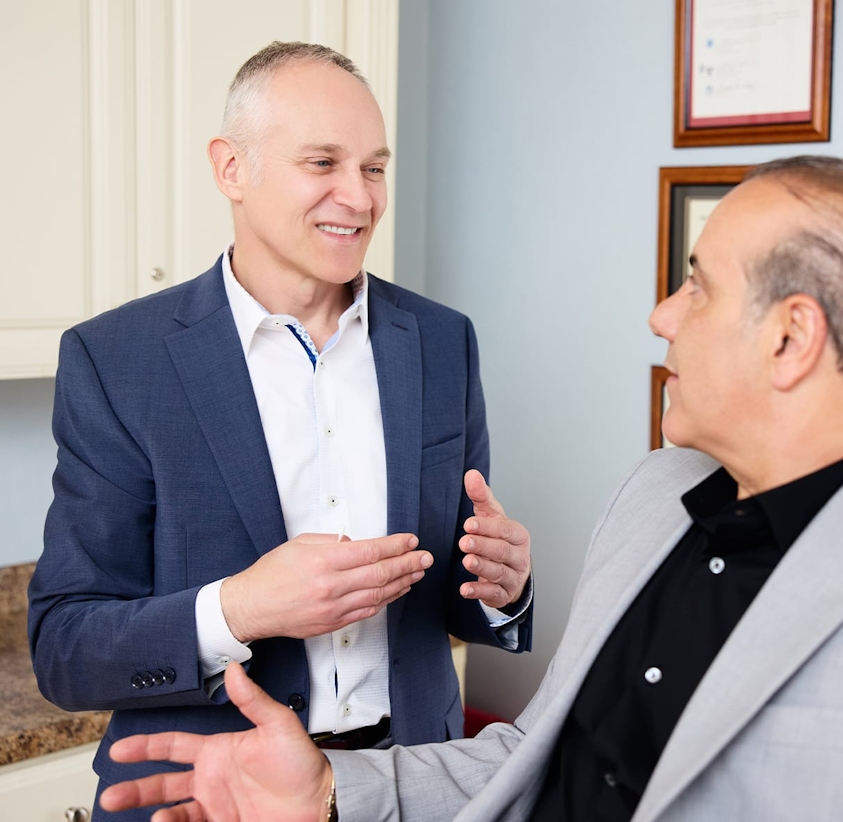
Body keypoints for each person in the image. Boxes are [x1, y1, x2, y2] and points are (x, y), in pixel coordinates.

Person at [99, 156, 843, 821]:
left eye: (696, 287)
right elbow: (533, 754)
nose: (661, 316)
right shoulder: (656, 492)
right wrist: (331, 791)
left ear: (790, 339)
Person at [28, 41, 533, 820]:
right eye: (322, 162)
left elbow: (453, 594)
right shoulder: (116, 360)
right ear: (232, 168)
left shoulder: (442, 341)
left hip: (407, 788)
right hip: (206, 797)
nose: (358, 198)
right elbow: (66, 649)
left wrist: (503, 589)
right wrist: (242, 608)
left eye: (373, 168)